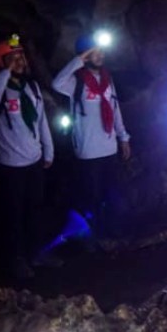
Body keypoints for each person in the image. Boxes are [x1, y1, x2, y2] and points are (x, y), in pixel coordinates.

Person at [0, 35, 54, 276]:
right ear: (1, 63)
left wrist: (48, 150)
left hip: (34, 159)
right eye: (12, 58)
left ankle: (37, 254)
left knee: (36, 209)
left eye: (20, 56)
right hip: (11, 164)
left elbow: (41, 121)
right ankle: (16, 259)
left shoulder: (31, 87)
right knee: (13, 214)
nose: (19, 62)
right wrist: (5, 75)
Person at [51, 34, 131, 238]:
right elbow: (56, 84)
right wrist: (79, 60)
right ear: (85, 55)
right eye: (94, 52)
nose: (99, 55)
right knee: (91, 198)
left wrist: (123, 137)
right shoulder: (75, 82)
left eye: (101, 51)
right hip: (88, 151)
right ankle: (95, 239)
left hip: (109, 148)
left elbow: (115, 109)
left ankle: (114, 235)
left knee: (113, 196)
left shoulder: (107, 79)